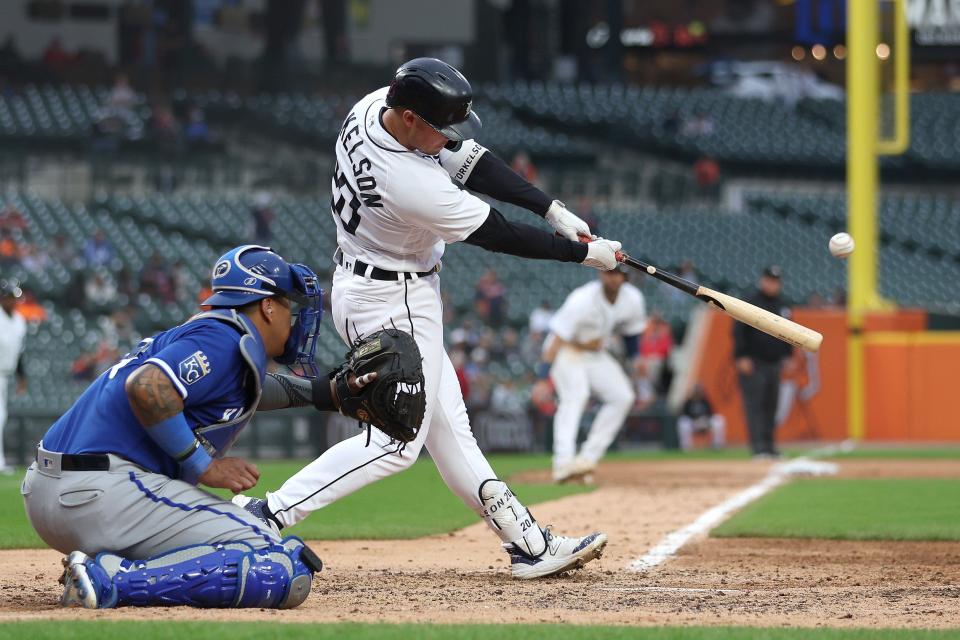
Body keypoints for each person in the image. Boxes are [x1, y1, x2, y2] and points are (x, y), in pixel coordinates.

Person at [233, 57, 620, 579]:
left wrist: (550, 208)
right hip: (397, 299)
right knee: (395, 444)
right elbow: (499, 235)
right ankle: (267, 514)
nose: (450, 138)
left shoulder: (374, 107)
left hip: (366, 284)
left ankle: (527, 543)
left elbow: (472, 160)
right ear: (412, 119)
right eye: (440, 128)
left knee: (451, 431)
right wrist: (584, 256)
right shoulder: (409, 181)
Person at [21, 245, 385, 609]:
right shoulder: (221, 340)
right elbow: (148, 387)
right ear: (267, 306)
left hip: (54, 492)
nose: (294, 319)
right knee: (273, 560)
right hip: (101, 494)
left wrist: (328, 393)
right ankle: (109, 581)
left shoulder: (212, 336)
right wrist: (203, 465)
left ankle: (105, 571)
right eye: (289, 306)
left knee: (248, 549)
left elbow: (248, 388)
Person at [540, 267, 646, 483]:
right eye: (609, 272)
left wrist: (636, 358)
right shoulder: (583, 299)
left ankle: (586, 460)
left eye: (618, 273)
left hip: (595, 354)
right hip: (565, 350)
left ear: (625, 277)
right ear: (601, 274)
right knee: (576, 396)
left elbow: (631, 333)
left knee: (623, 397)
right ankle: (563, 464)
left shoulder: (632, 299)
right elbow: (556, 339)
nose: (613, 277)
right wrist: (543, 378)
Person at [733, 265, 794, 458]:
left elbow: (789, 331)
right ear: (763, 280)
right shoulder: (751, 301)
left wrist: (788, 355)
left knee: (771, 406)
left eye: (776, 281)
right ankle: (758, 448)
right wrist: (741, 356)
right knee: (755, 405)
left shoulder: (783, 304)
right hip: (754, 362)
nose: (772, 284)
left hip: (774, 363)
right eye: (769, 280)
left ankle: (769, 446)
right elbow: (739, 330)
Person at [0, 280, 27, 474]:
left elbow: (19, 352)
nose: (13, 301)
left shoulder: (19, 320)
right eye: (9, 297)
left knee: (2, 416)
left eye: (15, 298)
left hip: (5, 374)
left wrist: (21, 376)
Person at [677, 383, 725, 451]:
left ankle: (718, 445)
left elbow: (711, 413)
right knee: (683, 422)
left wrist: (705, 419)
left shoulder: (705, 400)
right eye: (696, 391)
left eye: (699, 391)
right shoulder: (688, 402)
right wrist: (694, 419)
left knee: (719, 419)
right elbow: (683, 414)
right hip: (693, 423)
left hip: (704, 422)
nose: (697, 392)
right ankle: (686, 447)